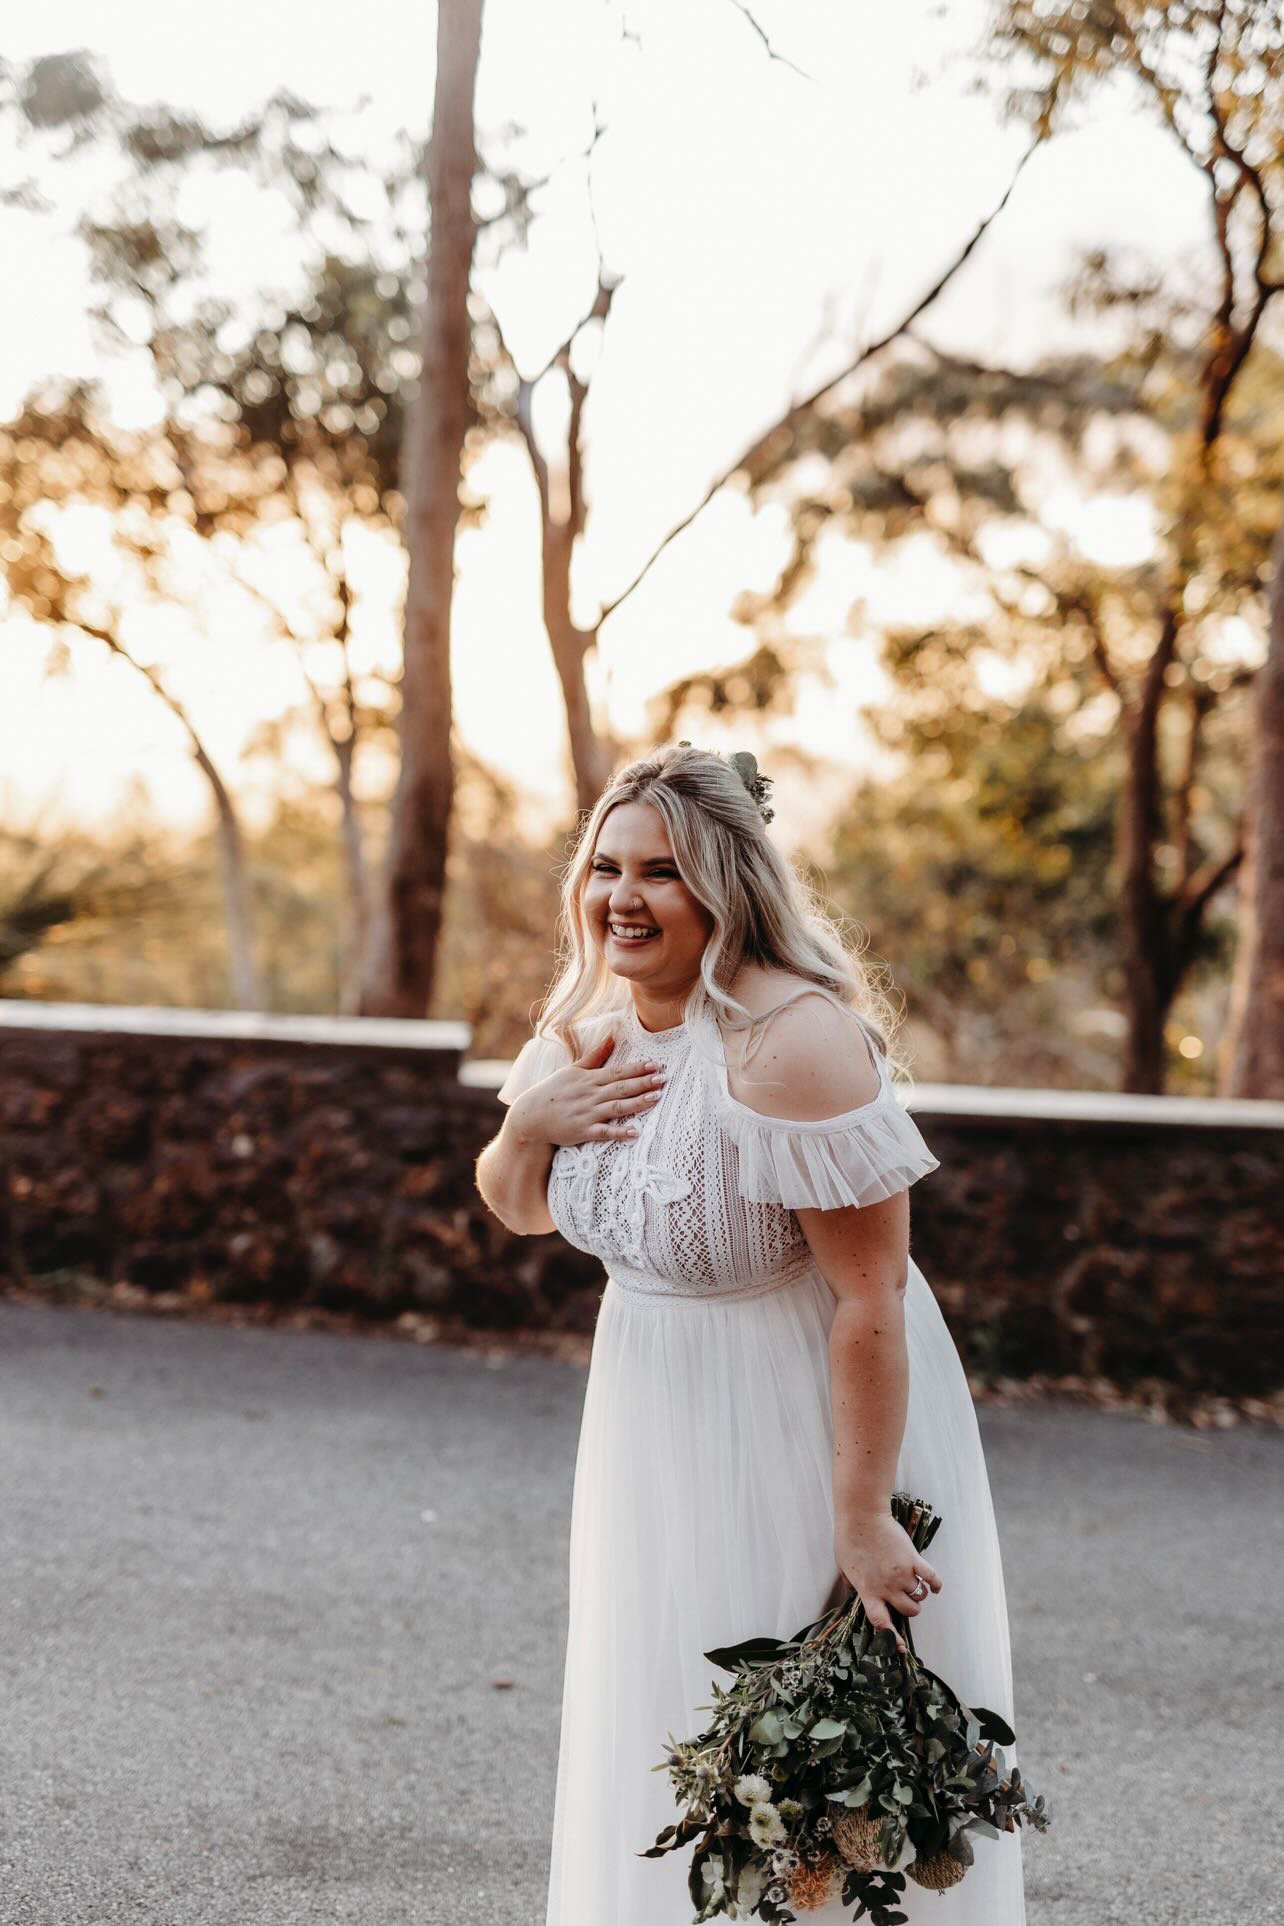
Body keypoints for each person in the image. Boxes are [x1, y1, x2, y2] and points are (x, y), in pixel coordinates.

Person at [474, 742, 1025, 1924]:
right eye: (607, 867)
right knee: (661, 1718)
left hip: (797, 1421)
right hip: (647, 1420)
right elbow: (518, 1205)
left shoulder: (790, 1044)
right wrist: (530, 1124)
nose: (623, 898)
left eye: (663, 871)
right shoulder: (587, 1027)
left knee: (798, 1769)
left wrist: (862, 1516)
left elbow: (872, 1297)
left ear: (728, 882)